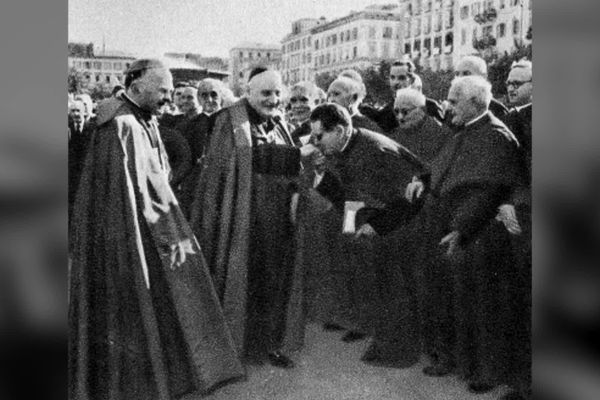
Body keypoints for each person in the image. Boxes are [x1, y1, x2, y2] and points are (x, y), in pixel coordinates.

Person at [69, 58, 245, 400]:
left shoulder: (140, 117)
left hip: (149, 231)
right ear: (136, 87)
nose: (169, 97)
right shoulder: (121, 125)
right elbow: (127, 198)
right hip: (129, 239)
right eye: (162, 90)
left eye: (169, 91)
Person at [373, 76, 522, 392]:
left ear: (474, 103)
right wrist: (421, 179)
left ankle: (485, 371)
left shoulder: (495, 135)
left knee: (481, 306)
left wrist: (459, 229)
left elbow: (487, 189)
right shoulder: (467, 130)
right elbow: (444, 168)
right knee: (453, 300)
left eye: (454, 101)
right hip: (450, 227)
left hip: (475, 234)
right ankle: (457, 361)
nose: (446, 106)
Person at [189, 67, 318, 369]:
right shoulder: (229, 120)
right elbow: (249, 158)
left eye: (276, 93)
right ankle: (240, 346)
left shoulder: (277, 120)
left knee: (274, 282)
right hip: (243, 222)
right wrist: (299, 155)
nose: (273, 100)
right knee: (247, 281)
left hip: (276, 220)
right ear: (248, 93)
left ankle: (268, 344)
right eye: (266, 93)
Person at [307, 103, 424, 351]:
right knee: (352, 255)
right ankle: (363, 323)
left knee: (388, 277)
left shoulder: (375, 149)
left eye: (319, 136)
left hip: (406, 222)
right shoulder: (345, 145)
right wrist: (320, 175)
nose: (314, 142)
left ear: (339, 131)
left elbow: (411, 197)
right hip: (366, 213)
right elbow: (348, 195)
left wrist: (376, 226)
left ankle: (394, 338)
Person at [362, 88, 450, 366]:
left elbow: (441, 171)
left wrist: (423, 180)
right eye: (396, 111)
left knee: (429, 285)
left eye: (406, 111)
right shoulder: (396, 137)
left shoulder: (441, 135)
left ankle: (435, 345)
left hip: (430, 219)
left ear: (422, 110)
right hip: (401, 219)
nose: (399, 116)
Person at [498, 59, 532, 400]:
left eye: (519, 82)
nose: (511, 87)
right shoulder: (514, 117)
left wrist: (512, 201)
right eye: (509, 82)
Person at [287, 81, 320, 145]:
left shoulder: (319, 130)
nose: (298, 105)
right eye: (293, 101)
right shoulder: (291, 128)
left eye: (304, 100)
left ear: (315, 102)